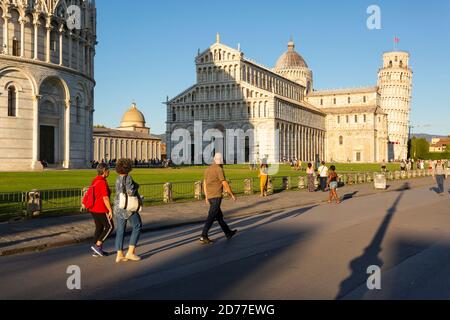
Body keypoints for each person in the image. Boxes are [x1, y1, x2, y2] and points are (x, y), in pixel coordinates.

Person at [200, 153, 238, 244]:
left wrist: (206, 196)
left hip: (210, 196)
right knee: (211, 216)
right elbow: (224, 183)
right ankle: (203, 236)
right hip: (216, 196)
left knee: (219, 217)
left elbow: (204, 183)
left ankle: (228, 232)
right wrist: (231, 194)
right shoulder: (219, 169)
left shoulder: (208, 169)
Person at [114, 158, 143, 263]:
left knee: (120, 230)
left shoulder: (117, 178)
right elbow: (131, 192)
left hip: (118, 206)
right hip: (128, 208)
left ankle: (119, 254)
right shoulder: (128, 177)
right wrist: (136, 186)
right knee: (137, 226)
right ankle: (131, 252)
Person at [89, 163, 114, 257]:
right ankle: (98, 245)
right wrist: (110, 210)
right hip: (101, 208)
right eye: (108, 169)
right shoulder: (102, 182)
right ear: (104, 171)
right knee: (110, 227)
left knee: (99, 228)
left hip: (93, 208)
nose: (109, 171)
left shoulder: (95, 180)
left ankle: (97, 250)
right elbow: (105, 198)